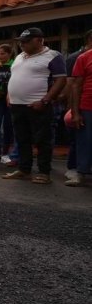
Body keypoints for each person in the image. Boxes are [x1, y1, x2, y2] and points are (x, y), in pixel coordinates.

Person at [3, 27, 67, 184]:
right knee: (22, 138)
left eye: (26, 41)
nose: (22, 45)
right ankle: (24, 170)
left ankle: (44, 172)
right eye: (21, 42)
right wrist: (9, 95)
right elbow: (15, 77)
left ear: (39, 40)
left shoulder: (52, 56)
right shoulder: (19, 57)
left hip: (38, 105)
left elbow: (61, 80)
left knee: (42, 140)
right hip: (17, 105)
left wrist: (46, 100)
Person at [66, 28, 92, 186]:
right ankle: (80, 173)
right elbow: (76, 86)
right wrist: (75, 112)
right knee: (84, 140)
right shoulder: (84, 57)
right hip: (87, 105)